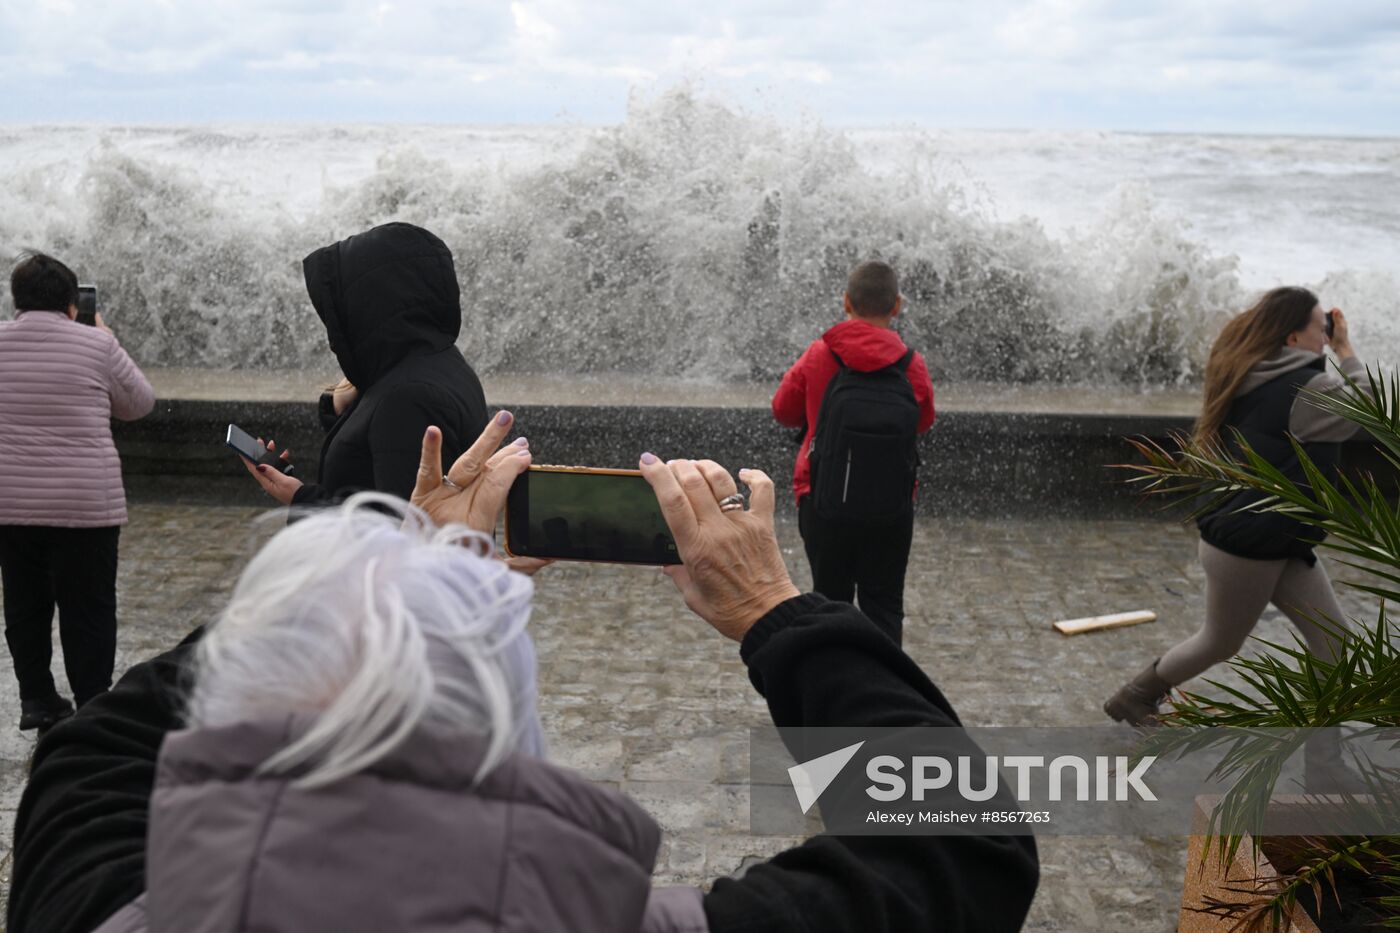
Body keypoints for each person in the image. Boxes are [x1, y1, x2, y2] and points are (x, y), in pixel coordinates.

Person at [8, 415, 1038, 933]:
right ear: (506, 731)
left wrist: (392, 566)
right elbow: (959, 843)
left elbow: (96, 745)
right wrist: (773, 610)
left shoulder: (99, 903)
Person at [1104, 287, 1369, 791]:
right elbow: (1367, 411)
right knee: (1220, 642)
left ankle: (1325, 768)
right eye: (1320, 327)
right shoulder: (1305, 391)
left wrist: (1329, 349)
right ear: (1294, 335)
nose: (1326, 335)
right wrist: (1347, 351)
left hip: (1268, 537)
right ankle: (1135, 696)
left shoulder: (1255, 371)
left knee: (1334, 646)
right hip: (1251, 546)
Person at [0, 252, 155, 731]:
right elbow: (139, 404)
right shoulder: (96, 345)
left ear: (16, 301)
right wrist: (105, 338)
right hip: (86, 504)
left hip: (12, 504)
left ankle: (38, 700)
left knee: (24, 605)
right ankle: (91, 703)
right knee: (88, 607)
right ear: (72, 303)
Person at [242, 222, 487, 506]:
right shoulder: (442, 364)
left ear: (369, 307)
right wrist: (339, 407)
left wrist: (299, 496)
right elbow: (380, 457)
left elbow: (397, 532)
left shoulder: (407, 399)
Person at [771, 260, 936, 645]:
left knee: (830, 600)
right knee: (884, 604)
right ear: (896, 306)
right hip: (891, 504)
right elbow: (922, 421)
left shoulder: (819, 354)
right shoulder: (911, 365)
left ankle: (834, 691)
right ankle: (885, 691)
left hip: (822, 497)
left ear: (846, 302)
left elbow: (782, 410)